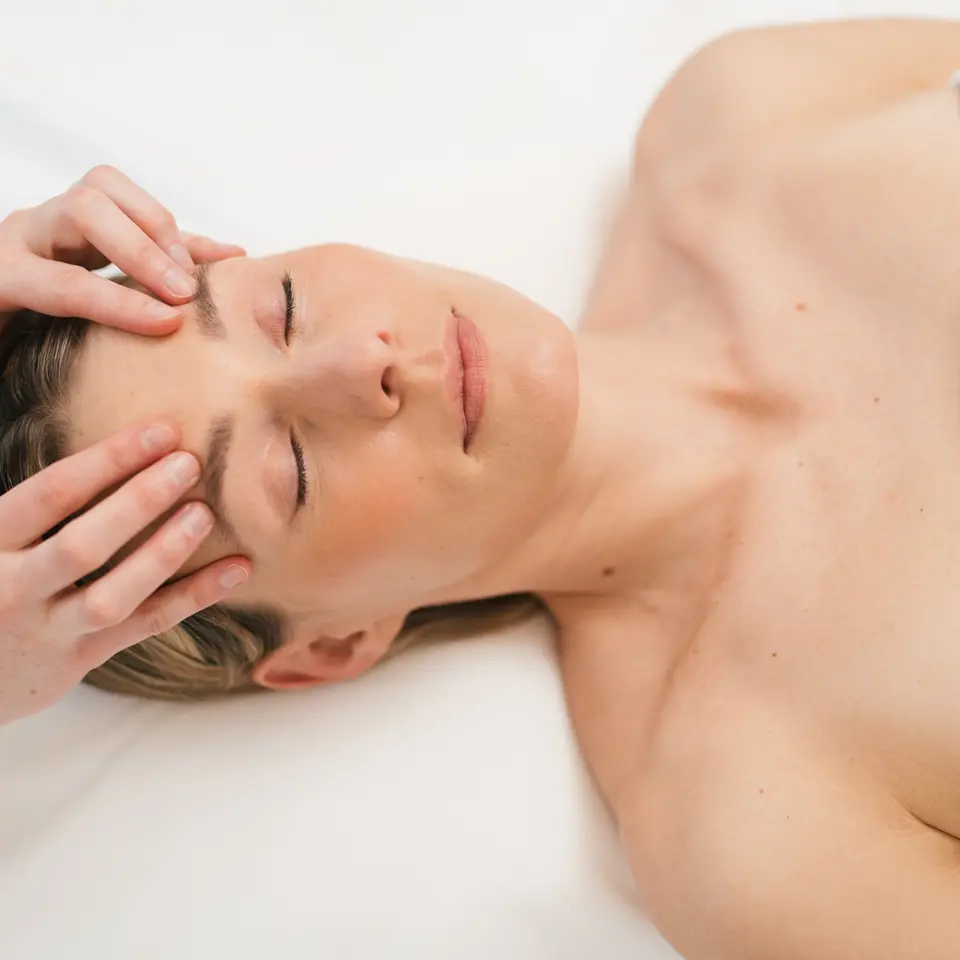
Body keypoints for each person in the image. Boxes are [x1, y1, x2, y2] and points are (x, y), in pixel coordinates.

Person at [3, 16, 960, 959]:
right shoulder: (761, 827)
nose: (355, 365)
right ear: (335, 644)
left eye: (282, 309)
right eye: (290, 469)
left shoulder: (741, 114)